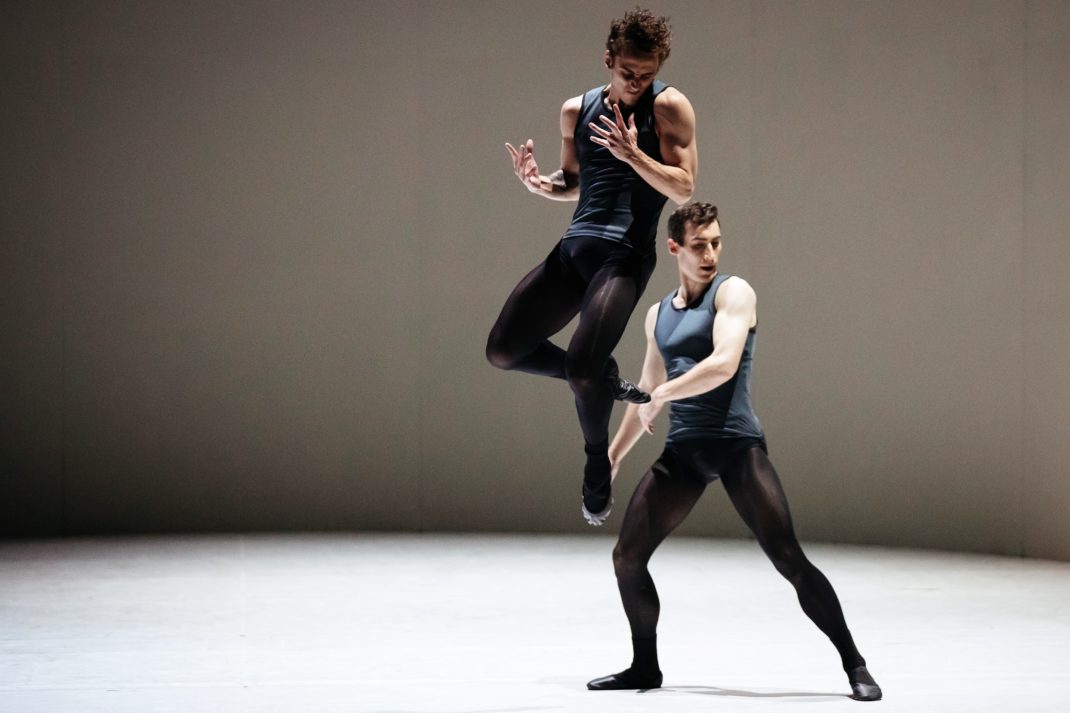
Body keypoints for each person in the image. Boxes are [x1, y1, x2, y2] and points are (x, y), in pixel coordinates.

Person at [586, 202, 882, 702]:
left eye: (717, 243)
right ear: (674, 247)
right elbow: (647, 393)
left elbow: (723, 364)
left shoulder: (734, 293)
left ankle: (855, 664)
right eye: (699, 245)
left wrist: (662, 394)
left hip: (736, 446)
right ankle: (645, 667)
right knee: (627, 557)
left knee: (789, 559)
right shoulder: (657, 315)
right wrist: (609, 460)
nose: (710, 254)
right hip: (684, 453)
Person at [486, 8, 697, 526]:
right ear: (608, 60)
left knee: (581, 368)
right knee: (503, 349)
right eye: (627, 72)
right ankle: (604, 378)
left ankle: (595, 461)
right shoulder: (575, 110)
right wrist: (542, 184)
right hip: (575, 249)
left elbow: (684, 187)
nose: (635, 82)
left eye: (645, 74)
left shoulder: (669, 107)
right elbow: (576, 182)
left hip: (623, 257)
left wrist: (635, 155)